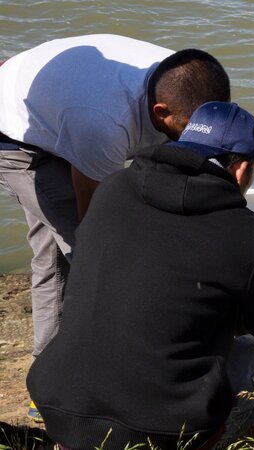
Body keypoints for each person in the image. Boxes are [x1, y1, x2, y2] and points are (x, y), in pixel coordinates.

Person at [26, 101, 254, 448]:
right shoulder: (249, 237)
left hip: (62, 409)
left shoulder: (113, 190)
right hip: (160, 433)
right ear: (241, 170)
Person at [0, 34, 231, 420]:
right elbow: (98, 228)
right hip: (16, 135)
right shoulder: (102, 124)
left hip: (61, 100)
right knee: (93, 258)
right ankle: (59, 391)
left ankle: (47, 376)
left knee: (53, 256)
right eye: (184, 131)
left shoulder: (190, 81)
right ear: (160, 113)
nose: (193, 143)